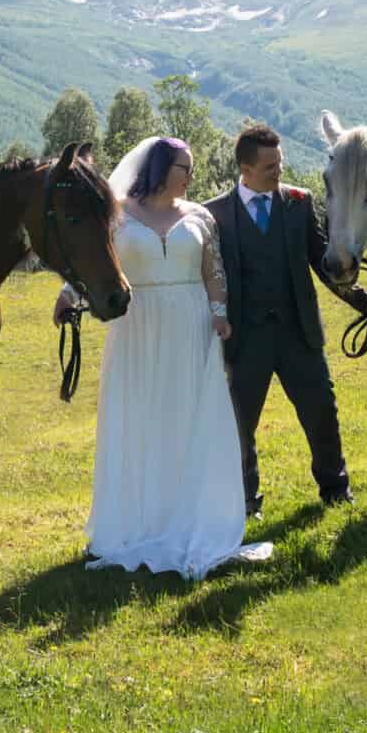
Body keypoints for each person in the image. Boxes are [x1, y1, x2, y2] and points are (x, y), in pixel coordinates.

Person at [76, 136, 271, 577]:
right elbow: (94, 262)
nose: (190, 176)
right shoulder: (119, 214)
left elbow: (213, 271)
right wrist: (70, 295)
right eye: (185, 167)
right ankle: (138, 518)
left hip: (191, 326)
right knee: (141, 416)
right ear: (162, 168)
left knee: (187, 417)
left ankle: (192, 511)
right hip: (137, 327)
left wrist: (220, 314)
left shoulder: (199, 216)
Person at [204, 123, 367, 517]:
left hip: (298, 334)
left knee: (322, 412)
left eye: (280, 162)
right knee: (238, 425)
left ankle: (336, 489)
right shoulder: (214, 214)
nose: (279, 171)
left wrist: (363, 300)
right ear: (245, 168)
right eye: (270, 166)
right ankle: (245, 502)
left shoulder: (298, 203)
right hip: (244, 340)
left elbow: (324, 263)